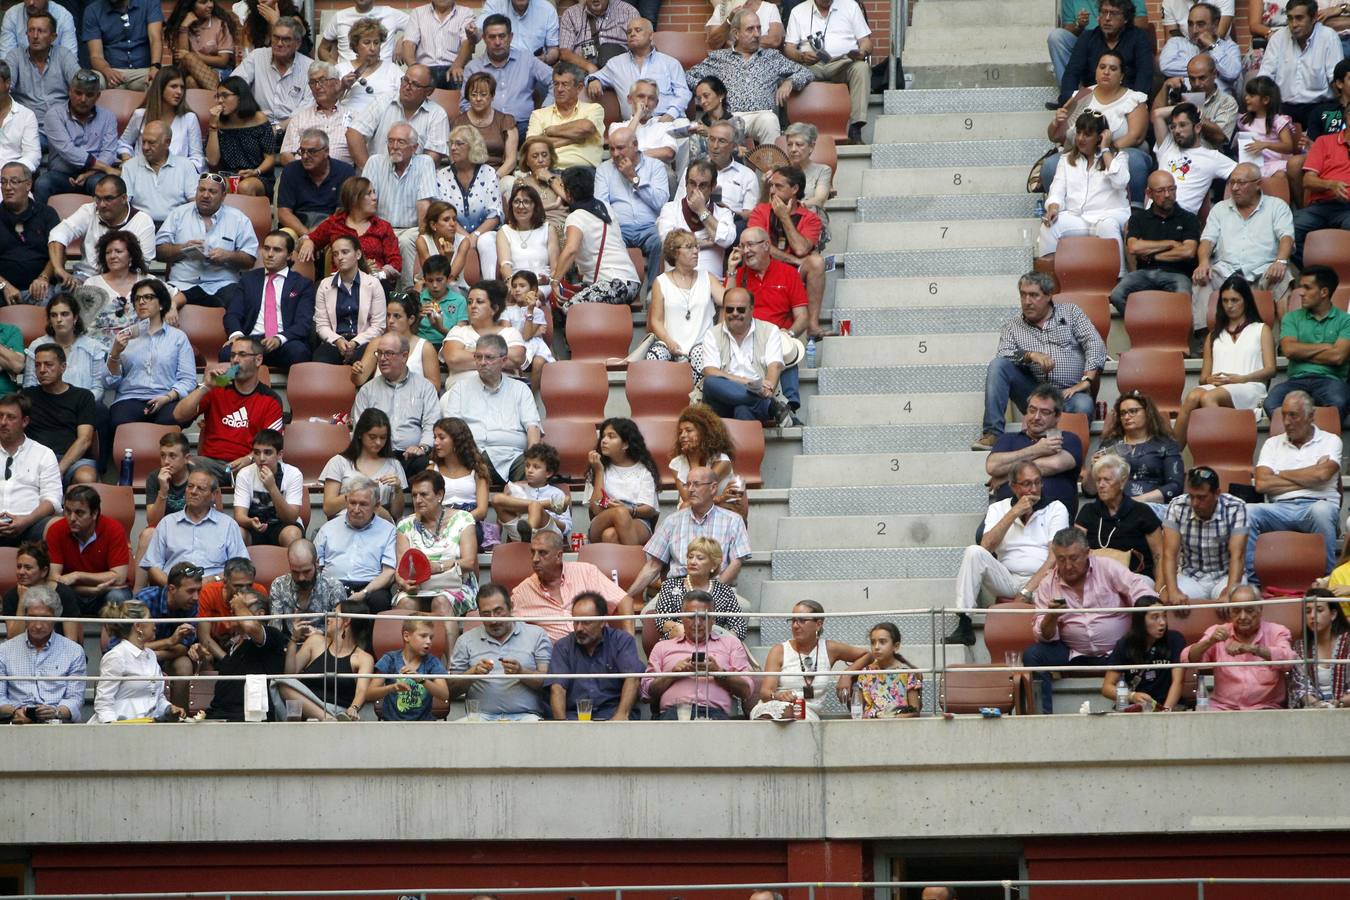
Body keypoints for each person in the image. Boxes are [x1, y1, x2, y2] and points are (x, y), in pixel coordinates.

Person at [1024, 527, 1154, 713]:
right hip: (1072, 651)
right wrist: (1051, 617)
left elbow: (1140, 590)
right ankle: (1042, 717)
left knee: (1147, 646)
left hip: (1118, 651)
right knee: (1033, 654)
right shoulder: (1047, 585)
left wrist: (1145, 615)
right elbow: (1043, 635)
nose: (1067, 566)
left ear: (1087, 553)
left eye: (1073, 558)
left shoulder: (1107, 567)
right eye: (1061, 559)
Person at [974, 272, 1104, 453]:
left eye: (1034, 295)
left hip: (1068, 393)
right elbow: (1004, 354)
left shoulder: (1071, 312)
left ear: (1049, 295)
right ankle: (992, 433)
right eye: (1023, 294)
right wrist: (1030, 355)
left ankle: (1068, 454)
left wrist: (1087, 380)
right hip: (1033, 393)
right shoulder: (1012, 326)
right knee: (998, 365)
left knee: (1083, 405)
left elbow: (1094, 342)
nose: (1027, 301)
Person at [948, 460, 1069, 646]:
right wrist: (1013, 513)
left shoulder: (1056, 508)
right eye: (1027, 484)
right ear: (1013, 486)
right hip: (1008, 578)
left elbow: (1055, 557)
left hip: (1043, 582)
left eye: (1038, 482)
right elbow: (986, 546)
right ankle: (964, 622)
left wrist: (1027, 591)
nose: (1034, 489)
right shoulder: (998, 508)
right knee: (973, 552)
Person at [1245, 389, 1342, 580]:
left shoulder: (1331, 441)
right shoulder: (1272, 443)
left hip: (1317, 505)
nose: (1287, 422)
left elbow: (1323, 474)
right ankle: (1252, 583)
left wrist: (1279, 474)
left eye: (1293, 415)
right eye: (1284, 415)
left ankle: (1327, 582)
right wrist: (1311, 476)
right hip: (1279, 509)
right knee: (1247, 511)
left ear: (1311, 416)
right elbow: (1262, 484)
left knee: (1321, 511)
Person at [1173, 275, 1276, 449]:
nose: (1229, 305)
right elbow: (1203, 378)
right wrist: (1210, 380)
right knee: (1192, 396)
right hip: (1219, 386)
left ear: (1246, 301)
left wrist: (1241, 379)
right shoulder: (1213, 335)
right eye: (1225, 300)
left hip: (1250, 386)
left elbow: (1270, 369)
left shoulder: (1261, 329)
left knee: (1210, 396)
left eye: (1235, 300)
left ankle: (1220, 452)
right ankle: (1172, 456)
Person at [624, 465, 752, 602]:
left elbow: (736, 563)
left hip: (718, 587)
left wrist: (711, 592)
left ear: (713, 488)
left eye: (696, 484)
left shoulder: (733, 521)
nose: (690, 489)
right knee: (647, 614)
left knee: (744, 608)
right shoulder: (672, 521)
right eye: (687, 484)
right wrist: (627, 596)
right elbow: (653, 566)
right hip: (678, 590)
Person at [686, 8, 813, 146]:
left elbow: (806, 72)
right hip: (728, 117)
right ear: (736, 33)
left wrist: (790, 81)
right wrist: (710, 92)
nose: (757, 34)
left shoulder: (771, 56)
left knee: (770, 120)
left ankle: (770, 167)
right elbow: (689, 76)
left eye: (759, 28)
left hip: (761, 116)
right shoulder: (719, 58)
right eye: (750, 29)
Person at [1044, 51, 1150, 204]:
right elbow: (1056, 137)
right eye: (1102, 67)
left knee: (1133, 160)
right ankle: (1058, 208)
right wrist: (1056, 123)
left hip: (1117, 152)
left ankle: (1135, 210)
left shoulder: (1133, 98)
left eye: (1113, 69)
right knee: (1050, 166)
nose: (1106, 72)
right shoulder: (1081, 95)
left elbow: (1136, 136)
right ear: (1096, 73)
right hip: (1079, 154)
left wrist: (1101, 151)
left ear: (1121, 76)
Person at [1193, 162, 1294, 320]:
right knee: (1202, 278)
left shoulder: (1277, 206)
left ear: (1258, 184)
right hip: (1225, 272)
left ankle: (1288, 336)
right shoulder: (1219, 209)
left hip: (1264, 270)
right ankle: (1205, 338)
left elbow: (1286, 237)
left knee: (1283, 277)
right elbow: (1207, 240)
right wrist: (1203, 262)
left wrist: (1280, 261)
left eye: (1241, 183)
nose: (1234, 188)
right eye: (1232, 182)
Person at [174, 335, 284, 479]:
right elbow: (178, 415)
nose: (235, 360)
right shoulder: (217, 386)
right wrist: (206, 387)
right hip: (211, 465)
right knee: (180, 466)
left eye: (242, 355)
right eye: (233, 355)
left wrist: (250, 458)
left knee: (266, 469)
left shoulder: (271, 399)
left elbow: (272, 444)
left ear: (258, 360)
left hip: (249, 466)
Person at [440, 332, 540, 486]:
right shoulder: (460, 389)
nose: (482, 362)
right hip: (474, 456)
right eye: (478, 357)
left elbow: (533, 428)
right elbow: (452, 430)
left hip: (513, 457)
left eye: (489, 357)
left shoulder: (520, 389)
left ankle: (517, 499)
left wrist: (534, 460)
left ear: (504, 360)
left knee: (537, 472)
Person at [1038, 110, 1131, 272]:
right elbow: (1057, 190)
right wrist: (1053, 207)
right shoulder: (1066, 159)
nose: (1080, 138)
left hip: (1110, 215)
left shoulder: (1118, 157)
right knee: (1049, 226)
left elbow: (1120, 182)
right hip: (1078, 217)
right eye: (1079, 133)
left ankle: (1118, 281)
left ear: (1101, 136)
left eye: (1087, 134)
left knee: (1107, 225)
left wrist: (1105, 150)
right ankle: (1048, 281)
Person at [642, 589, 753, 719]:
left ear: (713, 619)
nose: (697, 623)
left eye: (703, 617)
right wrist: (672, 675)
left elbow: (747, 691)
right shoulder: (662, 647)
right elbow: (646, 693)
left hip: (716, 715)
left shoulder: (731, 644)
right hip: (673, 715)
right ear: (682, 618)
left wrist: (718, 672)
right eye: (691, 617)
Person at [449, 583, 552, 720]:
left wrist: (521, 672)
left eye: (498, 611)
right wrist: (472, 673)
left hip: (527, 717)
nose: (493, 620)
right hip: (479, 717)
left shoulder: (537, 635)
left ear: (511, 607)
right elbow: (450, 691)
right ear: (479, 614)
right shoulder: (465, 640)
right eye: (486, 614)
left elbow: (548, 684)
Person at [156, 174, 260, 310]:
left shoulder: (238, 219)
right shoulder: (178, 214)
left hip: (223, 285)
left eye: (212, 191)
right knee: (157, 302)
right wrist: (183, 248)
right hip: (182, 283)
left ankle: (238, 332)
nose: (205, 195)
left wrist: (228, 256)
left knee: (243, 303)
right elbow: (159, 252)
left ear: (223, 195)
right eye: (202, 190)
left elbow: (250, 260)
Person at [1185, 585, 1298, 708]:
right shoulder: (1218, 632)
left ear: (1260, 609)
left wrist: (1252, 649)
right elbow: (1189, 659)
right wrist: (1210, 642)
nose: (1243, 617)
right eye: (1236, 611)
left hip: (1264, 709)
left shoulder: (1277, 632)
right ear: (1229, 611)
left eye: (1249, 610)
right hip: (1223, 708)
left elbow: (1290, 660)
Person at [751, 599, 867, 720]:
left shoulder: (829, 648)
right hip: (773, 706)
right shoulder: (779, 650)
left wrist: (847, 674)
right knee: (772, 715)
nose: (795, 625)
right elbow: (765, 692)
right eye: (793, 620)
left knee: (794, 714)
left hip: (807, 711)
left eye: (802, 620)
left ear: (818, 624)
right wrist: (777, 696)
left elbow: (867, 655)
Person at [700, 286, 798, 427]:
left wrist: (767, 389)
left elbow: (774, 366)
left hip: (755, 404)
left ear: (751, 309)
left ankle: (748, 445)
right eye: (729, 309)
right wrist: (746, 382)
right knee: (711, 382)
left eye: (740, 309)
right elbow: (710, 371)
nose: (734, 313)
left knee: (742, 410)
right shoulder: (712, 334)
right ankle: (770, 406)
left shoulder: (770, 331)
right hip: (720, 403)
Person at [220, 230, 316, 371]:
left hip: (285, 341)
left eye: (277, 250)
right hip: (252, 341)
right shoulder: (248, 280)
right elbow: (233, 314)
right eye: (266, 248)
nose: (270, 254)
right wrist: (237, 336)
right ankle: (231, 389)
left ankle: (290, 392)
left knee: (299, 353)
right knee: (226, 354)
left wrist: (279, 338)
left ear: (289, 255)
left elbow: (303, 323)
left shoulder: (302, 284)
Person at [392, 469, 479, 626]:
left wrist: (436, 567)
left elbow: (469, 562)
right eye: (414, 495)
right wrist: (404, 584)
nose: (418, 500)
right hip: (418, 588)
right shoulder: (405, 526)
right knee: (406, 604)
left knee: (441, 601)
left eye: (424, 495)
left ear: (439, 495)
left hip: (456, 586)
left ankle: (451, 651)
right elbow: (400, 569)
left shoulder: (463, 519)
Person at [511, 529, 632, 640]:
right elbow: (506, 625)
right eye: (533, 552)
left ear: (559, 556)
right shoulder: (522, 592)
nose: (535, 559)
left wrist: (629, 642)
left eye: (542, 553)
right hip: (559, 659)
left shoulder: (586, 572)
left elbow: (624, 600)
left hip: (599, 652)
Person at [1265, 268, 1350, 424]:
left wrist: (1302, 350)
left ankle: (1319, 444)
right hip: (1296, 380)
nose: (1301, 292)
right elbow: (1289, 350)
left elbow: (1338, 357)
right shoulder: (1292, 318)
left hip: (1330, 380)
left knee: (1339, 401)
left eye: (1307, 287)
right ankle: (1298, 442)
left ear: (1324, 292)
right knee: (1271, 403)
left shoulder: (1346, 321)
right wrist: (1327, 347)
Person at [552, 165, 643, 310]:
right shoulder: (606, 208)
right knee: (568, 294)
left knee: (570, 307)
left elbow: (571, 250)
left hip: (613, 283)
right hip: (630, 283)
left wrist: (554, 281)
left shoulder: (576, 217)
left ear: (568, 192)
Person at [748, 166, 826, 334]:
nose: (772, 190)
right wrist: (794, 260)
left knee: (817, 261)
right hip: (764, 268)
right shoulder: (760, 211)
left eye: (779, 186)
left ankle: (812, 325)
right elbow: (756, 245)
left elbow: (800, 248)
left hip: (793, 273)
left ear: (795, 189)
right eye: (771, 185)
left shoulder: (811, 218)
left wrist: (784, 217)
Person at [1110, 171, 1201, 315]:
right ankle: (1143, 323)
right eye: (1160, 191)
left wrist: (1151, 254)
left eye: (1171, 189)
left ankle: (1170, 333)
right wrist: (1171, 243)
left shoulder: (1188, 218)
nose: (1167, 195)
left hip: (1177, 274)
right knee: (1116, 295)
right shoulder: (1138, 219)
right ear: (1149, 193)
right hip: (1143, 273)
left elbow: (1188, 251)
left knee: (1183, 297)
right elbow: (1134, 247)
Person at [141, 467, 248, 586]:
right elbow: (153, 565)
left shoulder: (228, 525)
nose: (193, 491)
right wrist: (172, 586)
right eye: (190, 486)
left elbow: (239, 566)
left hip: (213, 589)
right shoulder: (167, 523)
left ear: (213, 495)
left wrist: (212, 580)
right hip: (173, 590)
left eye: (201, 488)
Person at [352, 332, 441, 474]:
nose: (382, 359)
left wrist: (422, 448)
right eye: (379, 353)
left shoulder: (425, 387)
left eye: (388, 353)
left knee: (425, 466)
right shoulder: (367, 390)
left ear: (404, 356)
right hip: (378, 455)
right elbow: (360, 430)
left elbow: (432, 423)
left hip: (412, 456)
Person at [782, 0, 871, 143]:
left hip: (842, 63)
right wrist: (801, 56)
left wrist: (862, 52)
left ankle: (855, 128)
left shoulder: (850, 6)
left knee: (861, 68)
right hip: (810, 65)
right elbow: (789, 48)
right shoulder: (798, 11)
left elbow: (866, 41)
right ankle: (792, 129)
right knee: (788, 73)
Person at [191, 588, 286, 721]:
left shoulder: (272, 635)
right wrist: (202, 656)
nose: (234, 610)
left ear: (260, 614)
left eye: (242, 606)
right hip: (218, 717)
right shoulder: (232, 645)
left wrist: (238, 604)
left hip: (252, 720)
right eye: (234, 607)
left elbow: (251, 626)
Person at [546, 592, 643, 720]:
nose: (579, 628)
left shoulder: (621, 641)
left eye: (586, 622)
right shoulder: (563, 646)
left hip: (613, 713)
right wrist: (563, 727)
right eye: (576, 622)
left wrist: (620, 717)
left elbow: (632, 679)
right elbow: (557, 688)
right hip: (575, 718)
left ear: (602, 621)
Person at [298, 176, 401, 296]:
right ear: (354, 199)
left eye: (374, 192)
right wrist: (308, 242)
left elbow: (396, 261)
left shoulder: (383, 226)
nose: (375, 198)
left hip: (375, 286)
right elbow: (311, 238)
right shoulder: (335, 223)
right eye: (369, 193)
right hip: (341, 286)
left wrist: (378, 274)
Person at [461, 15, 554, 144]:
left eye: (502, 36)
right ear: (484, 39)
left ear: (510, 37)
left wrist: (544, 110)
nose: (497, 42)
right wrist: (481, 123)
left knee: (538, 142)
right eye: (492, 37)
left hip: (523, 127)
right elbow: (465, 104)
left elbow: (556, 80)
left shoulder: (527, 60)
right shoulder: (473, 68)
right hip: (486, 129)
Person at [48, 178, 158, 287]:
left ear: (124, 198)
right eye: (98, 198)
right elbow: (58, 234)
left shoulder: (143, 221)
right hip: (86, 278)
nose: (101, 205)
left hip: (125, 281)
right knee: (61, 293)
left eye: (108, 199)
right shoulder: (89, 210)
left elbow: (142, 266)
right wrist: (59, 268)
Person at [278, 599, 375, 720]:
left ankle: (329, 719)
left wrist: (353, 708)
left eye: (334, 614)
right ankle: (329, 720)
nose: (328, 618)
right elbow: (290, 674)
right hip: (308, 707)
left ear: (346, 621)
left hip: (339, 710)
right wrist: (293, 639)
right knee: (282, 683)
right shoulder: (315, 641)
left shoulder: (364, 658)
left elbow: (362, 690)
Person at [1076, 453, 1165, 584]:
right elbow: (1075, 549)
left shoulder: (1142, 512)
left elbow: (1159, 555)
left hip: (1135, 578)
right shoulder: (1088, 511)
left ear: (1122, 482)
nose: (1101, 485)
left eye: (1107, 480)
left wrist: (1160, 588)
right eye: (1098, 480)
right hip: (1095, 579)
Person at [0, 587, 85, 723]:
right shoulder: (4, 650)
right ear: (25, 617)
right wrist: (16, 712)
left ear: (56, 617)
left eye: (45, 618)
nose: (38, 625)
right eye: (32, 618)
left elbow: (75, 698)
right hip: (14, 722)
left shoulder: (74, 651)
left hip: (58, 724)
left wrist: (56, 712)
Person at [1091, 392, 1184, 515]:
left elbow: (1175, 486)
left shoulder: (1165, 444)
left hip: (1152, 507)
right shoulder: (1109, 444)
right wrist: (1093, 468)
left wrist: (1135, 502)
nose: (1127, 417)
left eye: (1133, 411)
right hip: (1112, 508)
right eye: (1123, 413)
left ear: (1147, 412)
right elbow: (1089, 491)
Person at [314, 475, 398, 611]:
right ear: (346, 500)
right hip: (331, 585)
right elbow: (316, 567)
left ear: (376, 506)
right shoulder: (328, 529)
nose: (356, 509)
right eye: (352, 503)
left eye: (363, 504)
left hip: (370, 587)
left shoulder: (389, 531)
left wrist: (364, 593)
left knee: (380, 599)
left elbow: (388, 573)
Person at [92, 600, 185, 722]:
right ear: (138, 626)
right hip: (121, 727)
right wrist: (112, 729)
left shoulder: (151, 655)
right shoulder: (116, 656)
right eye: (150, 618)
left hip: (148, 727)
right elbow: (103, 703)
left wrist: (169, 708)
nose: (154, 623)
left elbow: (156, 697)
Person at [36, 70, 120, 204]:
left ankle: (103, 225)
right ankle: (40, 224)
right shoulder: (54, 115)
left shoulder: (108, 117)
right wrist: (105, 168)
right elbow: (68, 150)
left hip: (93, 175)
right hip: (61, 175)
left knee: (105, 186)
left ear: (98, 96)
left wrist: (88, 174)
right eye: (78, 93)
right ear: (70, 91)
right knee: (43, 183)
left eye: (89, 95)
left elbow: (109, 153)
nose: (83, 99)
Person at [1258, 0, 1342, 130]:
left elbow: (1336, 80)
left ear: (1314, 17)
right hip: (1283, 107)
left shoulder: (1328, 37)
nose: (1293, 24)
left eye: (1299, 18)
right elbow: (1265, 77)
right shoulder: (1278, 38)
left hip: (1320, 106)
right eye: (1290, 18)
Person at [47, 484, 131, 612]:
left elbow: (119, 577)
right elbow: (54, 581)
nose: (72, 518)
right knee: (53, 594)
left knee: (118, 596)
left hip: (105, 593)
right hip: (72, 593)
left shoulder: (113, 529)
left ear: (94, 513)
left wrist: (77, 576)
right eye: (68, 511)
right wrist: (90, 590)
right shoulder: (56, 530)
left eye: (79, 513)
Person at [436, 124, 503, 283]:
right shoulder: (442, 175)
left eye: (459, 143)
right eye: (451, 143)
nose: (453, 148)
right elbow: (445, 213)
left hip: (485, 232)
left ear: (473, 146)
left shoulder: (488, 173)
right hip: (453, 231)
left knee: (486, 241)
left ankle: (490, 287)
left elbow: (495, 214)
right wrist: (466, 237)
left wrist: (475, 235)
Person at [132, 559, 202, 710]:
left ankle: (179, 717)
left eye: (198, 590)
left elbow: (183, 648)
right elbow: (130, 647)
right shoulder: (144, 600)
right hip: (134, 658)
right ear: (172, 589)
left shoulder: (192, 605)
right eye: (190, 591)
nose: (196, 597)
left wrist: (153, 653)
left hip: (161, 655)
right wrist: (170, 642)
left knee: (184, 664)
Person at [22, 345, 97, 484]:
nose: (42, 370)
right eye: (37, 365)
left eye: (48, 364)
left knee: (86, 476)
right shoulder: (27, 396)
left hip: (73, 459)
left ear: (63, 367)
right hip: (34, 459)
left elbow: (85, 440)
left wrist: (58, 470)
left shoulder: (83, 396)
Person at [347, 65, 449, 168]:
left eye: (415, 84)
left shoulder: (437, 114)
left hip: (415, 179)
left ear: (429, 91)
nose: (407, 87)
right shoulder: (383, 101)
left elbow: (433, 157)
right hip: (378, 176)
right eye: (405, 80)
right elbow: (354, 133)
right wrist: (369, 172)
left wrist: (409, 179)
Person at [1056, 0, 1153, 106]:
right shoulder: (1087, 38)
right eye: (1103, 12)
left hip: (1127, 100)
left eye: (1114, 13)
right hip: (1092, 100)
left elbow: (1144, 75)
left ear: (1125, 18)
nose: (1107, 18)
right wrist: (1070, 100)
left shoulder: (1139, 38)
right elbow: (1072, 73)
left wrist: (1134, 102)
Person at [311, 233, 389, 365]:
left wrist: (355, 342)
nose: (339, 257)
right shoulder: (324, 285)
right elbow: (321, 325)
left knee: (364, 361)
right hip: (334, 341)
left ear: (358, 254)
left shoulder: (373, 284)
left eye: (345, 252)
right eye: (335, 254)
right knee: (320, 360)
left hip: (365, 342)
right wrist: (338, 340)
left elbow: (379, 326)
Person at [1151, 102, 1238, 219]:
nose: (1177, 131)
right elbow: (1157, 114)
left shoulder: (1212, 157)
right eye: (1173, 126)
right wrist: (1188, 105)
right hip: (1151, 216)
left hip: (1181, 220)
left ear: (1197, 128)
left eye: (1182, 125)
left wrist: (1227, 205)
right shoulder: (1167, 146)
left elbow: (1243, 172)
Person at [650, 537, 746, 640]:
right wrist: (687, 631)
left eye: (700, 558)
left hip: (715, 647)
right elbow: (661, 621)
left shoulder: (724, 591)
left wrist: (722, 640)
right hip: (678, 644)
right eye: (690, 557)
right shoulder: (670, 586)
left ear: (713, 564)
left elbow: (739, 627)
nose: (693, 562)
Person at [728, 224, 810, 343]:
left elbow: (802, 317)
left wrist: (789, 335)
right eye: (742, 246)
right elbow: (727, 310)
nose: (745, 251)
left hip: (779, 342)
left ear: (766, 245)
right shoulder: (736, 275)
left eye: (750, 244)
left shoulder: (789, 273)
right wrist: (731, 270)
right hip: (745, 344)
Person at [116, 65, 206, 174]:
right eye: (174, 86)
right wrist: (127, 160)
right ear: (160, 88)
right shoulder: (140, 115)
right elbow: (123, 144)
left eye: (182, 87)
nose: (179, 92)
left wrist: (176, 172)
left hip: (177, 179)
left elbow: (197, 159)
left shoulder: (189, 118)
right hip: (142, 175)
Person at [320, 408, 406, 521]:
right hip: (345, 523)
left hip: (379, 525)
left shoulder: (394, 465)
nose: (378, 442)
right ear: (360, 434)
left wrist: (398, 489)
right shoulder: (339, 462)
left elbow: (397, 514)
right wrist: (358, 493)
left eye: (383, 437)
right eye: (372, 437)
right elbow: (328, 508)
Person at [1100, 596, 1185, 712]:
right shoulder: (1125, 644)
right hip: (1138, 709)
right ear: (1140, 620)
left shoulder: (1175, 639)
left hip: (1169, 708)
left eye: (1164, 616)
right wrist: (1131, 696)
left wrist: (1165, 712)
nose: (1162, 622)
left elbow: (1178, 681)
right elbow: (1107, 687)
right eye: (1155, 617)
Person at [657, 163, 736, 284]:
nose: (696, 190)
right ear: (686, 183)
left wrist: (702, 211)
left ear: (713, 186)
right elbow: (669, 243)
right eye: (692, 183)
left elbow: (727, 240)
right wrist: (707, 242)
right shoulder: (670, 209)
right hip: (675, 282)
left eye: (703, 185)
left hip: (711, 284)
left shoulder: (723, 212)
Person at [586, 416, 660, 546]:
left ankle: (618, 565)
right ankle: (637, 563)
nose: (604, 441)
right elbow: (596, 510)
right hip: (602, 518)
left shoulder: (644, 470)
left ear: (625, 444)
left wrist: (628, 509)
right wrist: (599, 472)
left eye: (611, 436)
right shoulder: (597, 468)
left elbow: (649, 509)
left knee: (610, 535)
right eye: (603, 436)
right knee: (619, 512)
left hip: (637, 518)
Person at [0, 391, 61, 546]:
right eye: (0, 416)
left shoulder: (43, 454)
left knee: (57, 527)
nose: (3, 422)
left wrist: (26, 521)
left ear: (25, 421)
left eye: (10, 417)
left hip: (30, 524)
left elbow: (52, 499)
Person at [229, 16, 311, 128]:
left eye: (286, 39)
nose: (279, 43)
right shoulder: (257, 56)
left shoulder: (309, 67)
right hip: (257, 127)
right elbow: (234, 85)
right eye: (276, 38)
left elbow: (306, 109)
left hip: (294, 130)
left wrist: (278, 129)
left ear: (297, 44)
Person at [4, 10, 78, 129]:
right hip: (26, 126)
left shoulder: (64, 55)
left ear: (53, 37)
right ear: (26, 33)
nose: (35, 36)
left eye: (41, 31)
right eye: (31, 30)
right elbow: (4, 87)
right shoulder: (15, 56)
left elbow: (79, 85)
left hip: (61, 125)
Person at [205, 76, 276, 197]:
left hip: (257, 176)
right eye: (218, 96)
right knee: (218, 186)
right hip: (228, 175)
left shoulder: (259, 119)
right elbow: (212, 160)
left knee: (245, 187)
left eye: (225, 95)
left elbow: (270, 157)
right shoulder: (218, 123)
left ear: (240, 97)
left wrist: (256, 171)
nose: (220, 100)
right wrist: (213, 127)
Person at [671, 405, 747, 517]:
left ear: (704, 433)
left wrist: (694, 460)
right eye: (680, 432)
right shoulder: (676, 464)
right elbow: (690, 499)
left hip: (722, 511)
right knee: (685, 507)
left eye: (688, 430)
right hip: (693, 511)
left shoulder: (722, 461)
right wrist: (720, 498)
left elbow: (701, 495)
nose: (682, 436)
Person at [232, 428, 304, 547]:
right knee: (237, 533)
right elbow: (239, 516)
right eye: (256, 452)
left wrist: (272, 487)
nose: (261, 458)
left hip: (282, 526)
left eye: (267, 452)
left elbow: (290, 518)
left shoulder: (293, 474)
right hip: (253, 526)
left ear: (279, 454)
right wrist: (250, 522)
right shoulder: (244, 474)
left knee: (292, 534)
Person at [368, 615, 450, 720]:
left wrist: (421, 679)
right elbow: (370, 693)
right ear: (406, 636)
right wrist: (392, 688)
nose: (429, 641)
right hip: (392, 725)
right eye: (423, 636)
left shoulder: (432, 662)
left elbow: (444, 695)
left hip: (424, 725)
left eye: (431, 637)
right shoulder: (390, 659)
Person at [23, 297, 108, 398]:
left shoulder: (93, 347)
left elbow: (98, 388)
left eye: (64, 314)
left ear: (75, 318)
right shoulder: (37, 345)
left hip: (83, 407)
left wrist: (81, 405)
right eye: (54, 315)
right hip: (46, 407)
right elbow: (29, 384)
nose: (59, 320)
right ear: (50, 320)